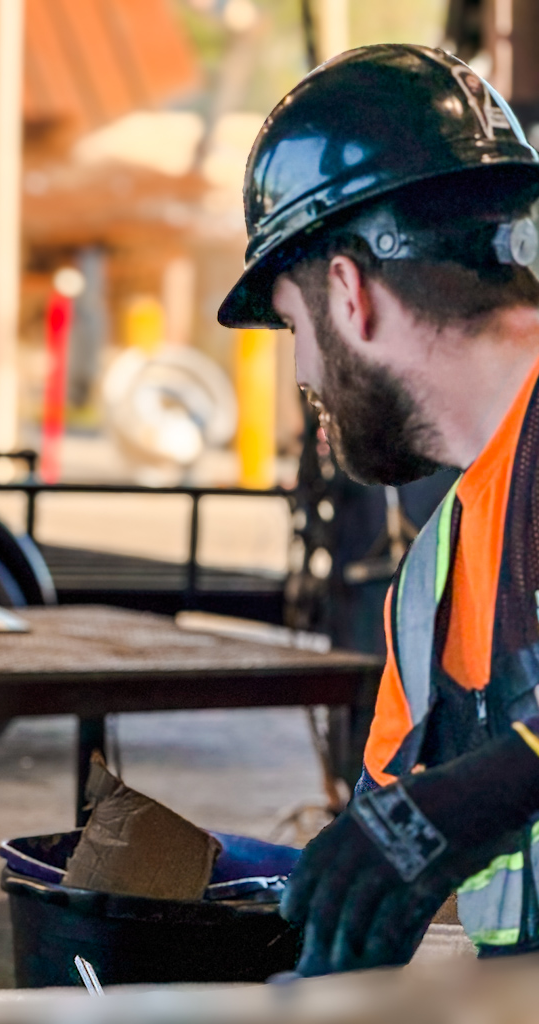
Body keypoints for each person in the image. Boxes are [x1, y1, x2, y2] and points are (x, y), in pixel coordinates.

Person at [218, 44, 539, 975]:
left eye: (290, 324)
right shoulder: (429, 584)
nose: (304, 372)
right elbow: (391, 848)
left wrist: (504, 780)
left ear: (349, 296)